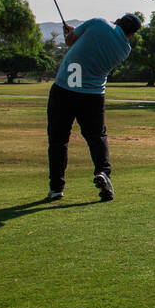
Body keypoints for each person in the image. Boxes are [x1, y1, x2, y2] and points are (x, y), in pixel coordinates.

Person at [47, 14, 142, 202]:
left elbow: (70, 42)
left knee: (58, 140)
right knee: (96, 137)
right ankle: (103, 172)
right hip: (93, 95)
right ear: (131, 34)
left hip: (65, 88)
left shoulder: (99, 23)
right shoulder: (125, 50)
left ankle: (56, 188)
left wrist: (69, 33)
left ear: (117, 21)